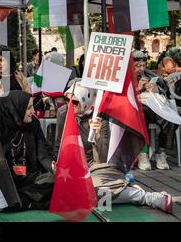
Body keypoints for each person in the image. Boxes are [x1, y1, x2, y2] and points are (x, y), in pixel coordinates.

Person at [55, 81, 174, 213]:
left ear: (87, 99)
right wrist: (57, 163)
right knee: (60, 189)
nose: (69, 104)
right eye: (66, 99)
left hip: (98, 165)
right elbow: (59, 144)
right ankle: (120, 188)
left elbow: (103, 157)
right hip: (73, 166)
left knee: (94, 192)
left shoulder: (101, 116)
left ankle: (146, 197)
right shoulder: (63, 112)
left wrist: (98, 134)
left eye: (75, 102)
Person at [0, 90, 56, 211]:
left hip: (30, 177)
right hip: (8, 179)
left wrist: (52, 165)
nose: (33, 111)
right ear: (16, 108)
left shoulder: (33, 124)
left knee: (56, 179)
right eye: (29, 108)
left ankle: (22, 201)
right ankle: (29, 201)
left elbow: (42, 153)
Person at [0, 45, 31, 117]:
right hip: (2, 118)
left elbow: (28, 95)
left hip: (22, 116)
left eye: (1, 60)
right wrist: (13, 108)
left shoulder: (19, 76)